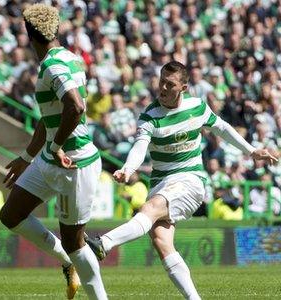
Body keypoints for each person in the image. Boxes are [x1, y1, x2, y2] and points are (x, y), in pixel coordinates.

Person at [85, 61, 278, 300]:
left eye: (170, 84)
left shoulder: (197, 107)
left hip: (190, 180)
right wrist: (128, 167)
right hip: (161, 183)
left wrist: (251, 151)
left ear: (183, 87)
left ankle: (103, 243)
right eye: (161, 82)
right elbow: (139, 146)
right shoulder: (149, 115)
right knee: (161, 240)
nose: (163, 88)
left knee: (150, 209)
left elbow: (222, 128)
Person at [0, 4, 106, 300]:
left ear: (28, 34)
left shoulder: (52, 65)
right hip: (50, 158)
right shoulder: (69, 58)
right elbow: (52, 118)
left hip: (75, 163)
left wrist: (57, 145)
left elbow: (76, 107)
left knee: (75, 242)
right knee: (11, 214)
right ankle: (67, 263)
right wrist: (27, 157)